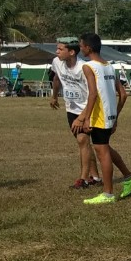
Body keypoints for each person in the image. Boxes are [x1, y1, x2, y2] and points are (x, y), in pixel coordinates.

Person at [73, 32, 131, 205]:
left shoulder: (88, 67)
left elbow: (93, 94)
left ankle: (108, 194)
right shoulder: (110, 66)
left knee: (102, 153)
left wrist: (86, 118)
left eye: (81, 46)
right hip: (109, 115)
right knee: (105, 148)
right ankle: (129, 177)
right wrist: (115, 117)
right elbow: (123, 94)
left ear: (88, 48)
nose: (80, 49)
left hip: (99, 117)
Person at [49, 38, 99, 190]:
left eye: (60, 49)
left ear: (71, 52)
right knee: (84, 144)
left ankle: (83, 179)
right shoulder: (57, 62)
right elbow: (57, 78)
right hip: (71, 110)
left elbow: (93, 93)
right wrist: (54, 95)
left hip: (86, 109)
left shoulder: (84, 68)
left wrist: (84, 116)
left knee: (82, 141)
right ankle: (95, 177)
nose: (57, 52)